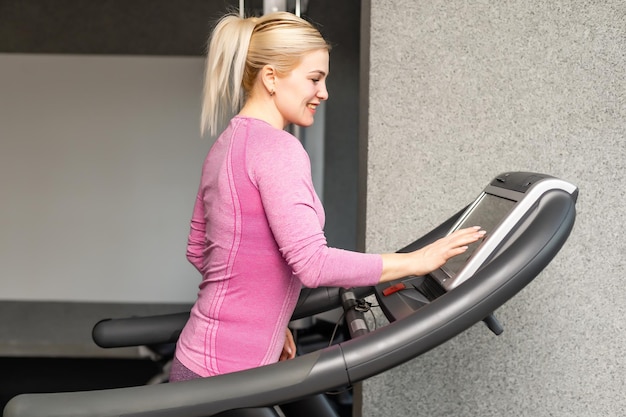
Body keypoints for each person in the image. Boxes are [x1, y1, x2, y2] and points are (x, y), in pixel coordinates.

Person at [169, 11, 485, 383]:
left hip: (197, 360)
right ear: (271, 77)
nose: (324, 92)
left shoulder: (225, 145)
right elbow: (313, 264)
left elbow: (198, 250)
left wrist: (265, 321)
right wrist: (416, 261)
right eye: (314, 79)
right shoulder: (277, 150)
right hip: (227, 373)